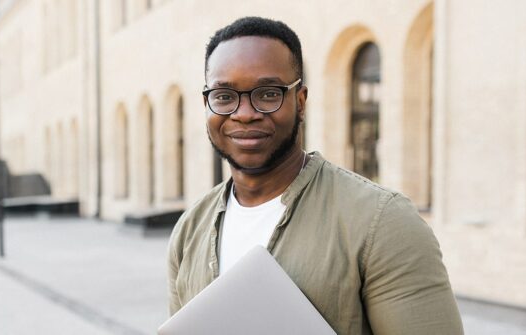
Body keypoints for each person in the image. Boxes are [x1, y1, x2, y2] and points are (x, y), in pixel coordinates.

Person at [167, 16, 463, 334]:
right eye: (224, 96)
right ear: (207, 104)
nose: (245, 114)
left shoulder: (382, 222)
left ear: (300, 102)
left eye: (268, 94)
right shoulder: (189, 229)